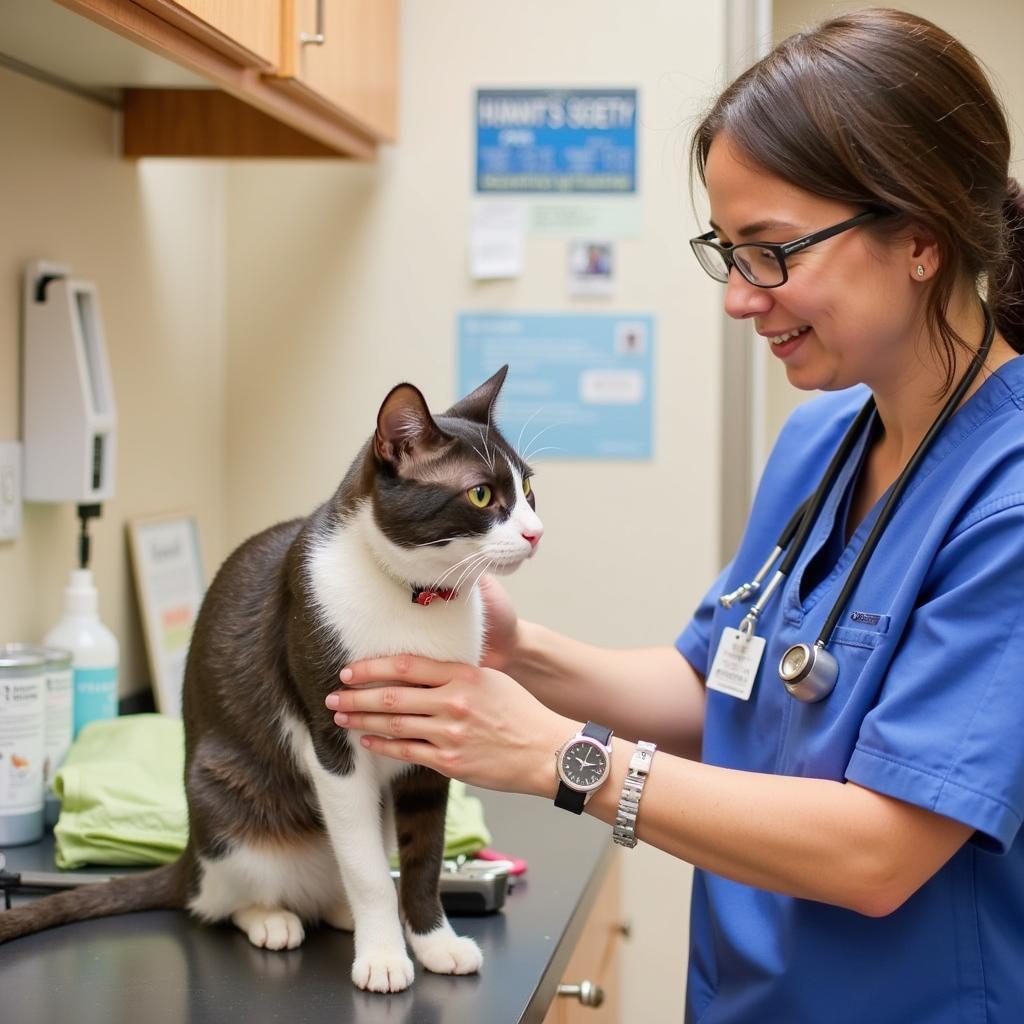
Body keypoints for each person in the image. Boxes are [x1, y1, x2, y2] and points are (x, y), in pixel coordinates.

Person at [323, 9, 1024, 1021]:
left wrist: (558, 758)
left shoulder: (1005, 499)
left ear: (918, 239)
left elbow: (881, 852)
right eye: (726, 251)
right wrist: (519, 648)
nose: (740, 298)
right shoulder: (818, 444)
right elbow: (717, 686)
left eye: (770, 252)